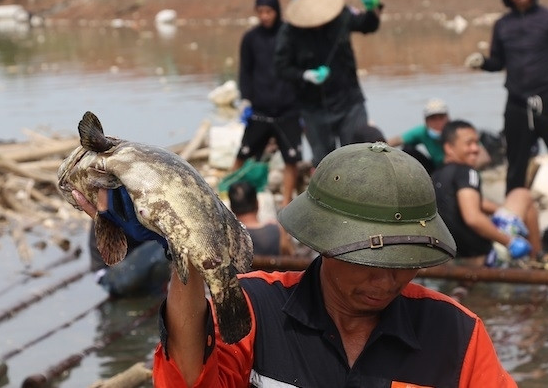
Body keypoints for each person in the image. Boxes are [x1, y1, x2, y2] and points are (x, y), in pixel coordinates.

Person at [153, 142, 516, 387]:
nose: (388, 280)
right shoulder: (254, 309)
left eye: (404, 263)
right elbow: (186, 377)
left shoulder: (456, 334)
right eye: (369, 262)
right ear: (324, 245)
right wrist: (185, 245)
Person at [465, 0, 548, 232]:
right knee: (515, 164)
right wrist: (483, 62)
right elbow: (498, 62)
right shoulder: (502, 25)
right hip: (516, 104)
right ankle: (512, 220)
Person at [274, 0, 383, 167]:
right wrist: (305, 75)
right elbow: (281, 68)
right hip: (313, 107)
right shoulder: (289, 31)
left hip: (349, 102)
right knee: (325, 163)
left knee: (358, 155)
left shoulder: (341, 15)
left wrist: (373, 8)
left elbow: (367, 26)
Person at [432, 120, 540, 266]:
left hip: (450, 258)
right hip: (483, 257)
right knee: (522, 195)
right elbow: (472, 218)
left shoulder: (436, 176)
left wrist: (501, 210)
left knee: (509, 207)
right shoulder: (467, 172)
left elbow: (469, 202)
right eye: (469, 144)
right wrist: (509, 242)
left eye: (477, 143)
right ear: (449, 148)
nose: (475, 149)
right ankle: (538, 260)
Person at [235, 0, 303, 206]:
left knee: (291, 159)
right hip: (260, 111)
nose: (265, 16)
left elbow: (298, 70)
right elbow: (245, 72)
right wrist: (246, 100)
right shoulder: (250, 38)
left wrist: (302, 108)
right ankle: (232, 196)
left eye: (269, 11)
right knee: (243, 154)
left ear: (277, 10)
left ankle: (285, 204)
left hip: (288, 110)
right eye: (261, 11)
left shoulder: (290, 35)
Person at [226, 180, 293, 256]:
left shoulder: (228, 237)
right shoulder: (278, 231)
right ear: (257, 203)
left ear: (231, 208)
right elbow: (290, 256)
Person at [388, 97, 451, 174]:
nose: (438, 122)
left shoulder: (455, 132)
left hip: (454, 167)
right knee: (408, 149)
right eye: (433, 118)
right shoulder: (423, 132)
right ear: (426, 121)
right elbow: (397, 140)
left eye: (441, 118)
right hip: (435, 167)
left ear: (448, 118)